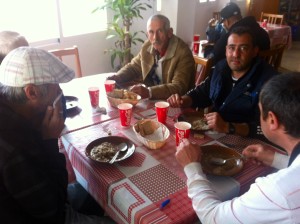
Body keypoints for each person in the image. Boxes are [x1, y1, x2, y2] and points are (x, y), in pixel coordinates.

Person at [0, 47, 112, 224]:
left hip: (39, 199)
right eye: (56, 87)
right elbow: (53, 210)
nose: (60, 93)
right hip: (43, 215)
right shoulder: (13, 146)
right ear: (32, 92)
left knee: (97, 192)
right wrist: (50, 141)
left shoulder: (13, 106)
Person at [175, 72, 300, 223]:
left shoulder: (278, 191)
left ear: (272, 120)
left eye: (260, 112)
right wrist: (276, 159)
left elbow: (213, 217)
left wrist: (192, 167)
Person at [167, 27, 278, 137]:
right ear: (226, 50)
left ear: (254, 51)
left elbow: (269, 129)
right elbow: (202, 93)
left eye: (243, 48)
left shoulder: (270, 82)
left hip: (247, 143)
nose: (235, 54)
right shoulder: (220, 68)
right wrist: (182, 100)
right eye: (231, 48)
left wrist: (228, 127)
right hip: (216, 134)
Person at [107, 14, 195, 100]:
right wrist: (117, 77)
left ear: (169, 32)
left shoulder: (183, 53)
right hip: (154, 100)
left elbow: (179, 88)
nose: (155, 38)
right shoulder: (147, 46)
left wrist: (149, 92)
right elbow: (134, 67)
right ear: (147, 34)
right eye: (151, 32)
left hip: (178, 105)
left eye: (160, 31)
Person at [205, 2, 270, 63]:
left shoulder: (231, 38)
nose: (224, 25)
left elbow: (211, 57)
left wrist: (208, 47)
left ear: (227, 21)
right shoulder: (264, 33)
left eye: (223, 22)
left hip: (240, 72)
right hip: (261, 71)